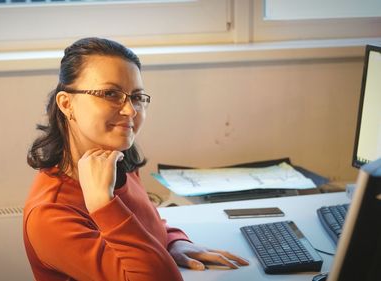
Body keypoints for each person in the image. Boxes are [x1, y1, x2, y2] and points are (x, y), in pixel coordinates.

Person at [23, 37, 249, 281]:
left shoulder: (117, 159)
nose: (130, 110)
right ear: (67, 104)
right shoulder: (50, 215)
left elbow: (144, 225)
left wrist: (173, 242)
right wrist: (103, 204)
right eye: (110, 93)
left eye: (137, 97)